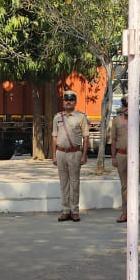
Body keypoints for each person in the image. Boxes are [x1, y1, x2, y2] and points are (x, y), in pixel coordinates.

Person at [108, 98, 140, 223]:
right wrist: (113, 157)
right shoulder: (116, 120)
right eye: (125, 105)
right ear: (122, 107)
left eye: (129, 105)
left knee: (134, 185)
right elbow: (113, 140)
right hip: (121, 155)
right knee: (125, 186)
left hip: (136, 156)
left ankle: (133, 213)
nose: (127, 108)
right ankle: (125, 213)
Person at [52, 89, 89, 221]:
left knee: (74, 183)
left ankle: (75, 211)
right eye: (66, 99)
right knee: (63, 183)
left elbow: (86, 137)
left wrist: (84, 155)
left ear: (75, 102)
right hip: (60, 153)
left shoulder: (81, 117)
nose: (68, 102)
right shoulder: (57, 117)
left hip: (75, 153)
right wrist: (54, 155)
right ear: (63, 102)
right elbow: (54, 137)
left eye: (71, 100)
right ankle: (65, 210)